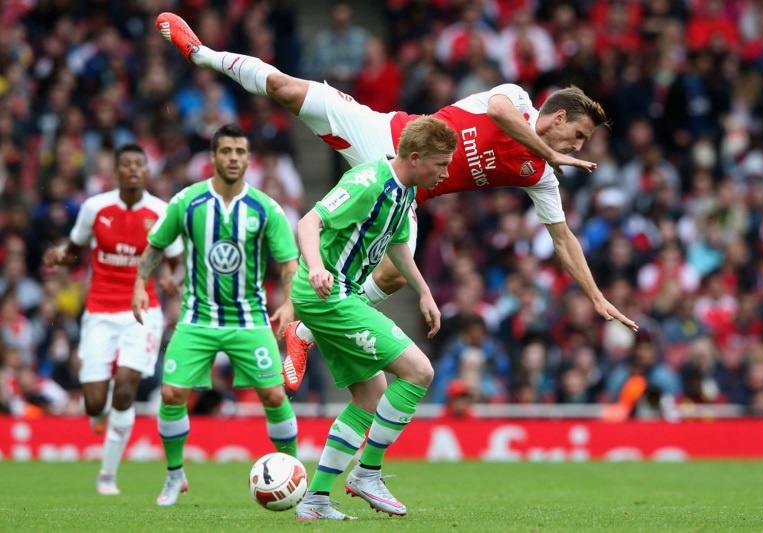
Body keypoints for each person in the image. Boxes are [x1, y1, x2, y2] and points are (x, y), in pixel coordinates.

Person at [155, 13, 639, 392]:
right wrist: (552, 151)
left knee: (391, 273)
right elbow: (496, 113)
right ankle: (202, 53)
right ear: (555, 117)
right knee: (284, 87)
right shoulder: (512, 97)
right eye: (575, 136)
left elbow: (563, 237)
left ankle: (303, 334)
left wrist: (596, 296)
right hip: (382, 132)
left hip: (402, 190)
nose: (576, 148)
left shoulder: (541, 176)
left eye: (579, 144)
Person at [291, 116, 458, 520]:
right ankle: (367, 473)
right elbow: (308, 221)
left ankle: (314, 501)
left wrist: (425, 292)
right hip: (328, 295)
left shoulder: (405, 192)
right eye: (441, 164)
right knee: (419, 371)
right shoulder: (368, 182)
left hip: (343, 296)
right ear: (415, 157)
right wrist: (315, 266)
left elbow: (399, 246)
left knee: (369, 397)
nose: (447, 172)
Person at [131, 123, 300, 506]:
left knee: (274, 396)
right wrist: (140, 284)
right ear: (213, 157)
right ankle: (175, 477)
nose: (234, 158)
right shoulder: (187, 202)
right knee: (172, 393)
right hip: (197, 317)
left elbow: (289, 264)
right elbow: (155, 246)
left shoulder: (264, 207)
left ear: (248, 158)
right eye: (226, 151)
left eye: (241, 152)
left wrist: (289, 303)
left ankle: (291, 471)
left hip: (250, 319)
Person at [42, 143, 183, 495]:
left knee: (125, 388)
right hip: (100, 311)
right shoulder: (95, 207)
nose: (134, 169)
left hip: (142, 311)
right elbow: (75, 249)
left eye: (140, 163)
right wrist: (60, 256)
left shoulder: (162, 211)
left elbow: (177, 262)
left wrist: (172, 282)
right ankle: (101, 414)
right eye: (127, 164)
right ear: (116, 172)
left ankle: (107, 474)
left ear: (147, 172)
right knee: (93, 403)